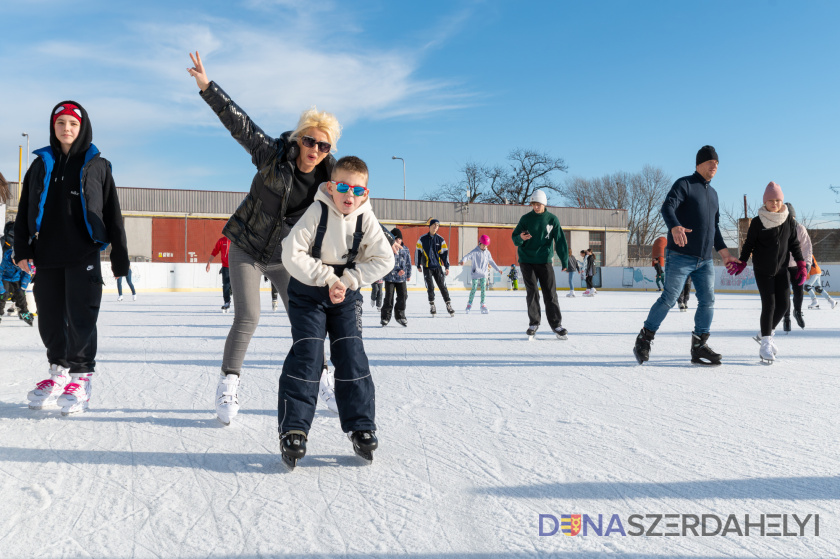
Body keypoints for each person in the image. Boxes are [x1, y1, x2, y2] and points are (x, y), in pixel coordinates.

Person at [188, 51, 344, 425]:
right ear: (299, 138)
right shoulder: (273, 154)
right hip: (246, 245)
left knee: (305, 319)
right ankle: (228, 384)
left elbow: (358, 204)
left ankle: (323, 379)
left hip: (287, 256)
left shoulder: (330, 180)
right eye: (311, 141)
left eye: (323, 146)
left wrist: (387, 236)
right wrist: (208, 88)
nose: (315, 150)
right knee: (249, 315)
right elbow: (238, 123)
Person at [277, 156, 394, 468]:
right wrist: (327, 278)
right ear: (330, 187)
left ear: (366, 193)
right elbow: (291, 253)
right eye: (342, 186)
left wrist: (349, 280)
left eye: (357, 189)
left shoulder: (365, 218)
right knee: (309, 354)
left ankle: (361, 425)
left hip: (346, 290)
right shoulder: (316, 211)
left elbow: (385, 260)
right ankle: (294, 429)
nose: (349, 194)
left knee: (351, 353)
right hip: (309, 290)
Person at [15, 100, 129, 414]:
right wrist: (22, 250)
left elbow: (113, 213)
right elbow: (25, 209)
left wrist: (121, 258)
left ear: (83, 127)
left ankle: (81, 378)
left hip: (83, 253)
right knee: (50, 319)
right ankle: (57, 373)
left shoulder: (97, 165)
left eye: (73, 124)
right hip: (47, 254)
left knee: (81, 318)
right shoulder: (41, 164)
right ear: (54, 127)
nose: (67, 129)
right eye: (61, 123)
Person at [633, 145, 738, 366]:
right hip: (680, 256)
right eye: (710, 162)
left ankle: (699, 345)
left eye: (717, 163)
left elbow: (714, 229)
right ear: (698, 164)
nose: (714, 166)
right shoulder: (685, 184)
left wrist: (725, 254)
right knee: (670, 298)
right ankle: (644, 338)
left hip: (705, 260)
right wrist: (675, 227)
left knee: (708, 301)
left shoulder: (714, 194)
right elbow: (667, 207)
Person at [727, 182, 806, 363]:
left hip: (781, 269)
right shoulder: (757, 221)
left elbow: (794, 244)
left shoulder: (788, 221)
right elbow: (749, 245)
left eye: (778, 200)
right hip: (763, 270)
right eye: (771, 200)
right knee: (769, 304)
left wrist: (801, 264)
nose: (775, 203)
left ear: (782, 201)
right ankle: (765, 344)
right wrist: (742, 261)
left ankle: (763, 333)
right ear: (765, 202)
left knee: (784, 305)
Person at [511, 189, 569, 339]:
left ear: (544, 204)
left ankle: (556, 325)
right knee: (532, 292)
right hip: (526, 260)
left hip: (544, 261)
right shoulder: (525, 219)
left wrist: (564, 260)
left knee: (550, 293)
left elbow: (560, 241)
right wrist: (521, 238)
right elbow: (515, 236)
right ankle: (534, 323)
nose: (536, 207)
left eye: (538, 204)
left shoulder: (552, 219)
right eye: (533, 204)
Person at [781, 203, 812, 331]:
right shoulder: (780, 229)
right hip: (782, 266)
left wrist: (807, 264)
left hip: (797, 266)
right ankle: (786, 317)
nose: (790, 220)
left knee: (799, 292)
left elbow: (807, 248)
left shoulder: (800, 229)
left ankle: (797, 312)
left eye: (792, 217)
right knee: (785, 293)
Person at [416, 219, 454, 316]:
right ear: (430, 226)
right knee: (430, 287)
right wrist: (418, 264)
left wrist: (447, 266)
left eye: (437, 225)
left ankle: (448, 304)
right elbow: (418, 252)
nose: (435, 227)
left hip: (437, 267)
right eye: (434, 225)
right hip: (427, 267)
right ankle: (432, 305)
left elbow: (445, 254)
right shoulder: (422, 239)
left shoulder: (440, 240)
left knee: (442, 286)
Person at [1, 226, 35, 326]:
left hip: (16, 279)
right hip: (5, 278)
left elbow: (27, 273)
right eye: (15, 262)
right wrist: (1, 287)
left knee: (21, 295)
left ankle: (24, 312)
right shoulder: (5, 260)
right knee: (3, 295)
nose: (17, 264)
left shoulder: (23, 261)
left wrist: (24, 285)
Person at [460, 234, 502, 314]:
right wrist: (463, 260)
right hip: (475, 273)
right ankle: (469, 304)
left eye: (486, 246)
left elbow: (491, 262)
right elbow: (467, 256)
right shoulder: (475, 251)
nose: (484, 247)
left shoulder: (487, 253)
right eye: (483, 245)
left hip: (483, 274)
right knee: (474, 288)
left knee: (483, 289)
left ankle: (483, 304)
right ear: (479, 243)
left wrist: (498, 269)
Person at [381, 228, 412, 327]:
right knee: (389, 297)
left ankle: (400, 315)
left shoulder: (405, 249)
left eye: (400, 239)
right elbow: (386, 264)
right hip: (390, 278)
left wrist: (408, 274)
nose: (398, 241)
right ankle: (385, 317)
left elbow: (408, 263)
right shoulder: (388, 249)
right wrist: (397, 271)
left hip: (401, 279)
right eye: (396, 239)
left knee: (403, 296)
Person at [206, 235, 231, 312]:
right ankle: (227, 302)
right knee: (226, 285)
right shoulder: (221, 241)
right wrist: (209, 262)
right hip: (225, 267)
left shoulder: (236, 241)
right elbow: (215, 251)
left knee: (237, 285)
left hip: (235, 266)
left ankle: (240, 303)